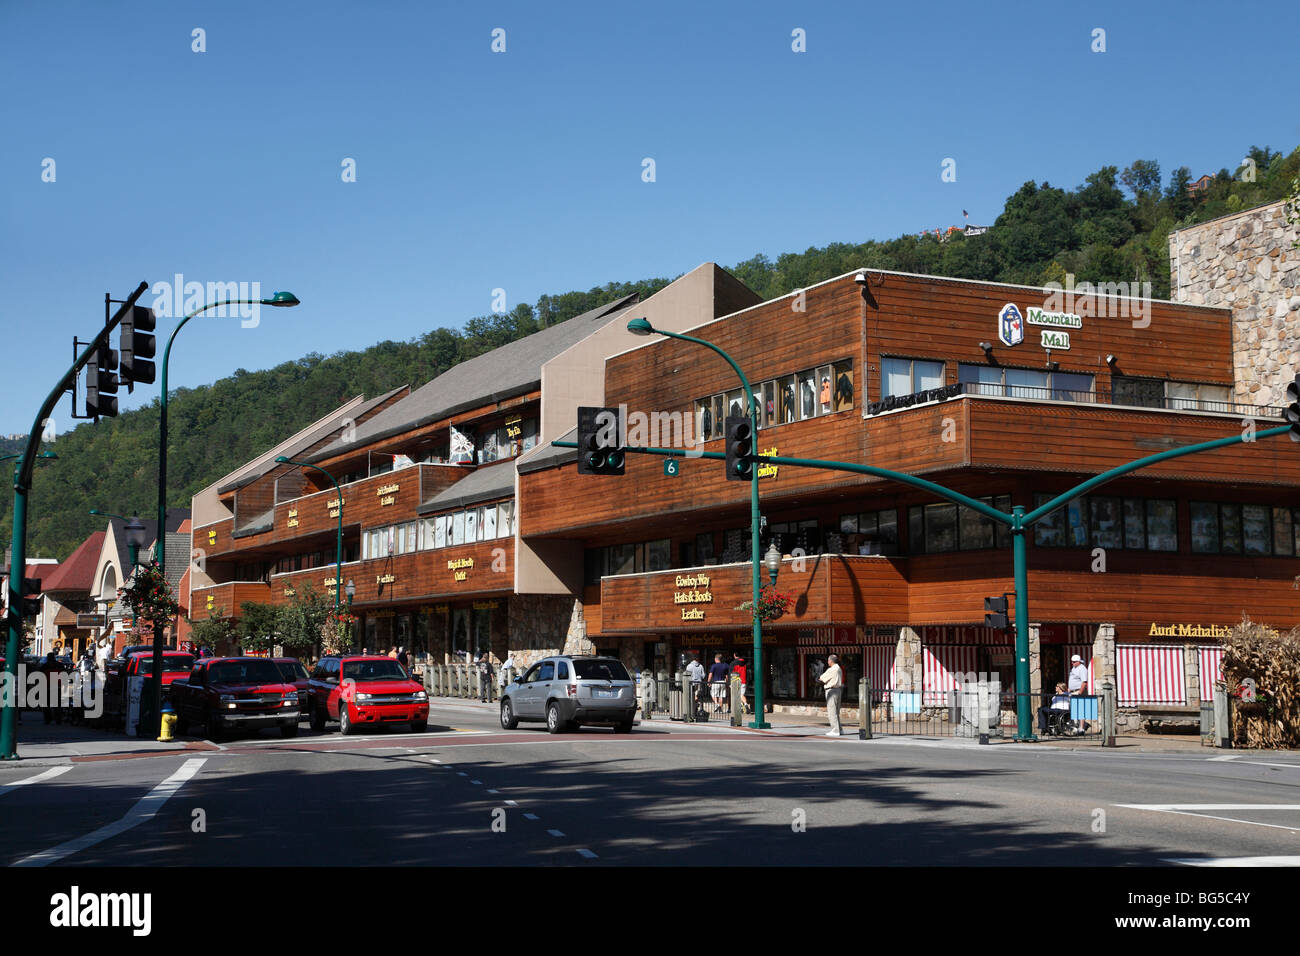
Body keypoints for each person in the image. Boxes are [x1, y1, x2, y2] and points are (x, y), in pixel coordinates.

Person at [818, 654, 843, 736]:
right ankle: (839, 729)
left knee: (832, 711)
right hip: (838, 690)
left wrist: (820, 678)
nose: (827, 662)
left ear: (831, 661)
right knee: (836, 711)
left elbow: (822, 678)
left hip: (831, 690)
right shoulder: (839, 668)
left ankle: (835, 730)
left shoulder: (832, 669)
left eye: (828, 660)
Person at [1068, 655, 1090, 731]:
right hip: (1073, 691)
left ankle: (1081, 728)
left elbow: (1084, 682)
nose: (1072, 663)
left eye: (1074, 662)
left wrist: (1080, 692)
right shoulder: (1074, 668)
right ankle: (1076, 727)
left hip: (1078, 691)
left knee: (1081, 710)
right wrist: (1069, 689)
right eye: (1072, 662)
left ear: (1078, 662)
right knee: (1074, 709)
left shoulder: (1082, 669)